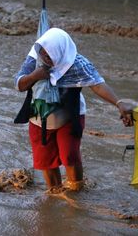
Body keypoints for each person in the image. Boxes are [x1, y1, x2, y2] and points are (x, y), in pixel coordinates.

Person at [15, 28, 131, 193]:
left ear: (60, 52)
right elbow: (19, 84)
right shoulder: (35, 57)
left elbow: (97, 84)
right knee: (46, 160)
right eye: (43, 54)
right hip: (39, 118)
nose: (45, 58)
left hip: (69, 116)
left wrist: (119, 103)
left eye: (49, 56)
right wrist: (34, 76)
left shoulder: (76, 64)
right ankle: (54, 193)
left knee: (70, 155)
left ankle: (76, 191)